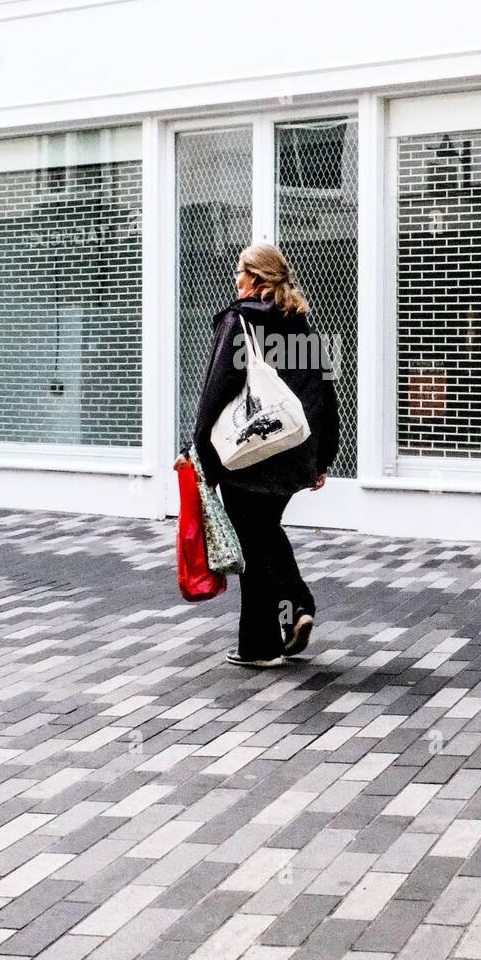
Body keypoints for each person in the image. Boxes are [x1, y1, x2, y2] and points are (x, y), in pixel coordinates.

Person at [179, 243, 339, 669]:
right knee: (263, 534)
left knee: (256, 539)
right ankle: (265, 639)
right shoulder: (304, 328)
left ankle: (287, 615)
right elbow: (326, 395)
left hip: (248, 454)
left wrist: (198, 452)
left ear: (254, 277)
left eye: (239, 272)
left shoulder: (240, 320)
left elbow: (216, 392)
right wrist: (323, 458)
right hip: (292, 453)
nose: (235, 279)